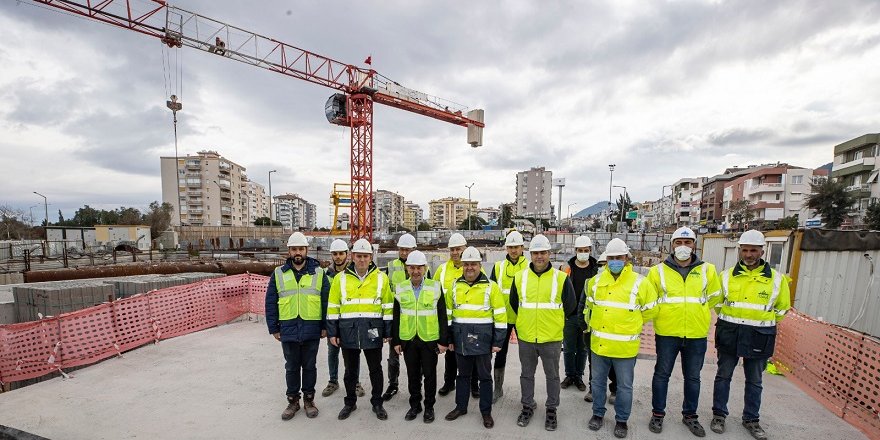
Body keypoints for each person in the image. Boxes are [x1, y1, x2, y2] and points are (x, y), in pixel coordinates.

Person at [710, 230, 790, 440]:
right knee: (723, 376)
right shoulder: (726, 275)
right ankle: (719, 415)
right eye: (745, 250)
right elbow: (717, 303)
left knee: (754, 380)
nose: (749, 254)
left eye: (753, 250)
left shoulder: (776, 279)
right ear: (740, 251)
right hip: (730, 332)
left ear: (762, 251)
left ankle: (751, 420)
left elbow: (782, 309)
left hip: (759, 335)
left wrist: (761, 322)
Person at [646, 227, 723, 436]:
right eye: (678, 242)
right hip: (667, 332)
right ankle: (657, 414)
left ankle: (690, 416)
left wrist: (697, 311)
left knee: (693, 377)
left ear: (694, 245)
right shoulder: (658, 271)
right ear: (672, 245)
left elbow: (715, 296)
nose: (683, 247)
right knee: (662, 375)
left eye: (687, 243)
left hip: (696, 333)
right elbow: (650, 300)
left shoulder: (708, 270)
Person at [584, 238, 659, 438]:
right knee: (597, 383)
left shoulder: (640, 283)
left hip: (625, 348)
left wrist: (630, 325)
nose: (615, 261)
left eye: (619, 257)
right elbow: (590, 308)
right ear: (606, 259)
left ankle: (622, 421)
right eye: (611, 258)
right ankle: (597, 414)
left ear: (626, 258)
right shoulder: (596, 281)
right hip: (599, 346)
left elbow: (650, 311)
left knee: (624, 387)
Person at [508, 234, 577, 431]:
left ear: (549, 254)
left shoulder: (561, 278)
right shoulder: (520, 277)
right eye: (536, 253)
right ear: (530, 254)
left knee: (552, 376)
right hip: (527, 337)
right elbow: (515, 303)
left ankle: (551, 410)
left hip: (551, 338)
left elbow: (570, 306)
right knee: (526, 375)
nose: (540, 256)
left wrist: (553, 323)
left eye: (543, 253)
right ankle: (527, 406)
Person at [265, 232, 331, 421]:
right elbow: (271, 302)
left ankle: (309, 400)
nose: (298, 252)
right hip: (288, 327)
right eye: (294, 249)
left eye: (301, 249)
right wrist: (274, 328)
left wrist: (325, 326)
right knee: (292, 367)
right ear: (289, 251)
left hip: (312, 327)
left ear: (306, 250)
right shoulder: (279, 274)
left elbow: (326, 301)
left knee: (310, 366)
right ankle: (293, 401)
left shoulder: (319, 273)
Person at [327, 238, 394, 421]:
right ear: (352, 256)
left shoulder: (382, 278)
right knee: (350, 371)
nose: (362, 259)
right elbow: (333, 307)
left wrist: (388, 332)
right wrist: (333, 332)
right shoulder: (340, 279)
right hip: (348, 331)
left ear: (371, 257)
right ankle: (350, 403)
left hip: (373, 330)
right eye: (359, 256)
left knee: (375, 369)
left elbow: (388, 306)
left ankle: (377, 403)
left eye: (365, 256)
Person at [443, 246, 507, 429]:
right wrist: (449, 339)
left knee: (485, 378)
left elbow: (500, 316)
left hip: (484, 343)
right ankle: (460, 407)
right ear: (462, 265)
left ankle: (486, 412)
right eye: (466, 264)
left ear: (480, 265)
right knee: (462, 376)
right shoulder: (455, 286)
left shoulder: (491, 287)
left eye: (473, 264)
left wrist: (498, 341)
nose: (469, 267)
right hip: (461, 341)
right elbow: (448, 315)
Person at [391, 250, 448, 424]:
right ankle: (415, 405)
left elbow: (442, 315)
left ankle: (429, 407)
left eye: (419, 268)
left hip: (429, 339)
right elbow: (396, 316)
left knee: (430, 375)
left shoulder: (435, 287)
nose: (415, 271)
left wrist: (443, 341)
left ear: (424, 269)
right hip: (408, 339)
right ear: (407, 268)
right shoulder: (401, 288)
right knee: (412, 375)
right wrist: (396, 341)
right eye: (412, 268)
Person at [382, 233, 424, 401]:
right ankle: (393, 385)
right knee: (393, 355)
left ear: (414, 249)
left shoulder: (422, 267)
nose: (404, 253)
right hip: (396, 318)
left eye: (407, 250)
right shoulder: (391, 266)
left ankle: (417, 386)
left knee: (417, 356)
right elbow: (385, 292)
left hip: (415, 319)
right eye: (402, 249)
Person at [435, 233, 478, 397]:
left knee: (472, 354)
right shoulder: (442, 269)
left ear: (464, 249)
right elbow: (435, 295)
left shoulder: (471, 268)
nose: (454, 252)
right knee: (450, 355)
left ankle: (474, 385)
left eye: (458, 249)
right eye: (452, 249)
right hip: (450, 322)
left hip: (469, 320)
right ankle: (449, 383)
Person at [488, 230, 528, 403]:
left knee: (527, 357)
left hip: (523, 318)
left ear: (522, 247)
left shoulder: (529, 266)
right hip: (502, 319)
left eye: (516, 247)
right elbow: (489, 292)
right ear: (506, 247)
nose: (513, 250)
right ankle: (498, 388)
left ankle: (527, 392)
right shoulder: (498, 267)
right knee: (500, 354)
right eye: (510, 247)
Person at [322, 239, 364, 398]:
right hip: (333, 320)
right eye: (335, 254)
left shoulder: (354, 274)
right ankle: (333, 381)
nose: (338, 257)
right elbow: (325, 300)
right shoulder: (325, 275)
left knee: (353, 353)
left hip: (350, 321)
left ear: (347, 255)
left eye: (341, 253)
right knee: (332, 352)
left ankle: (356, 381)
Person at [577, 251, 619, 403]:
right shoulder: (591, 283)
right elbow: (583, 305)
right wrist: (584, 326)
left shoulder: (618, 286)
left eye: (604, 265)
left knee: (614, 364)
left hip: (613, 333)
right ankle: (593, 389)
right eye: (600, 265)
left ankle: (614, 390)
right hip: (593, 332)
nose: (602, 268)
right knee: (594, 363)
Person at [560, 235, 597, 392]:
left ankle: (579, 376)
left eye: (586, 250)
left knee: (582, 349)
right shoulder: (566, 269)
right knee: (568, 348)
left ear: (590, 250)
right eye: (580, 250)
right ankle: (570, 375)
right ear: (575, 251)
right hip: (570, 315)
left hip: (587, 317)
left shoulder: (595, 270)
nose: (583, 253)